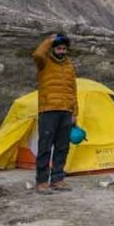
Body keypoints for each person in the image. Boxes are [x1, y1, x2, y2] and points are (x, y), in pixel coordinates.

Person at [31, 33, 78, 194]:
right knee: (45, 147)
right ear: (53, 49)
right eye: (59, 48)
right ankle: (42, 182)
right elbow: (37, 54)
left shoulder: (69, 66)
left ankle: (58, 179)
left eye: (64, 48)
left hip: (66, 111)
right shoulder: (44, 63)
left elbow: (73, 90)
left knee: (62, 147)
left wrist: (75, 112)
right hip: (48, 110)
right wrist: (49, 40)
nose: (62, 51)